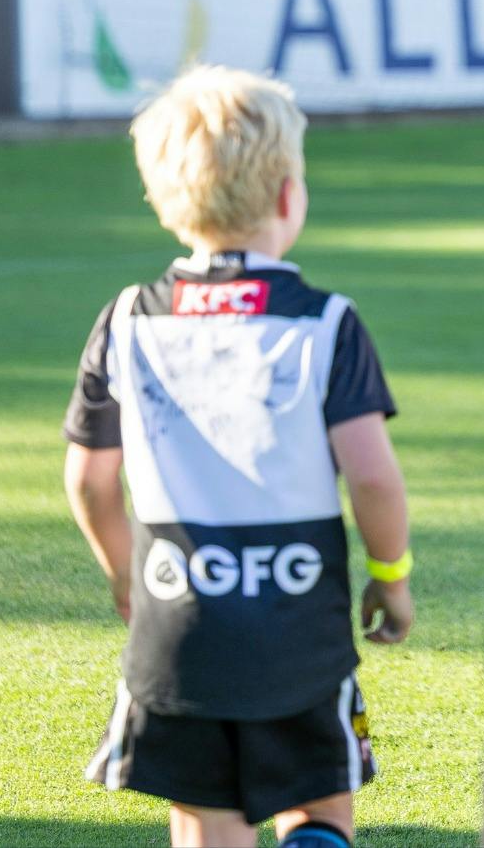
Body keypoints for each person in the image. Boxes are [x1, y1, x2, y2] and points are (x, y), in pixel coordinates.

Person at [63, 66, 412, 848]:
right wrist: (391, 575)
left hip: (178, 629)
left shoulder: (126, 319)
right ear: (290, 196)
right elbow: (374, 475)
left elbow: (89, 479)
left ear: (164, 198)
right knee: (319, 813)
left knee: (207, 824)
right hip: (300, 633)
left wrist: (125, 572)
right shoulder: (326, 323)